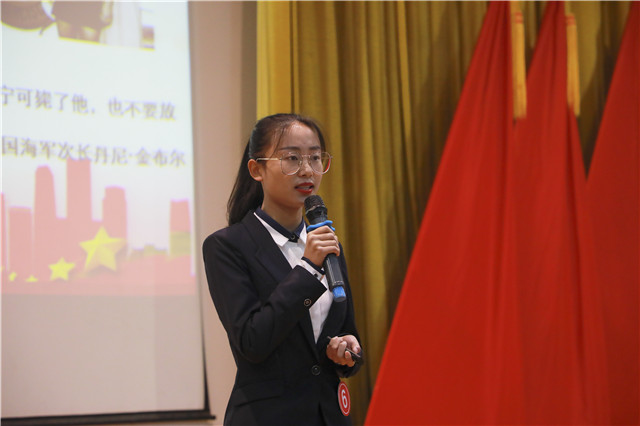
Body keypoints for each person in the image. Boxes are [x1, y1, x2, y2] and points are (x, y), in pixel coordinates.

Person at [202, 113, 363, 425]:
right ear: (256, 169)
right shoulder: (227, 246)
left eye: (315, 158)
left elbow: (347, 333)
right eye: (292, 158)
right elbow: (252, 342)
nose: (307, 170)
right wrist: (308, 267)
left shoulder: (326, 243)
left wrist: (347, 350)